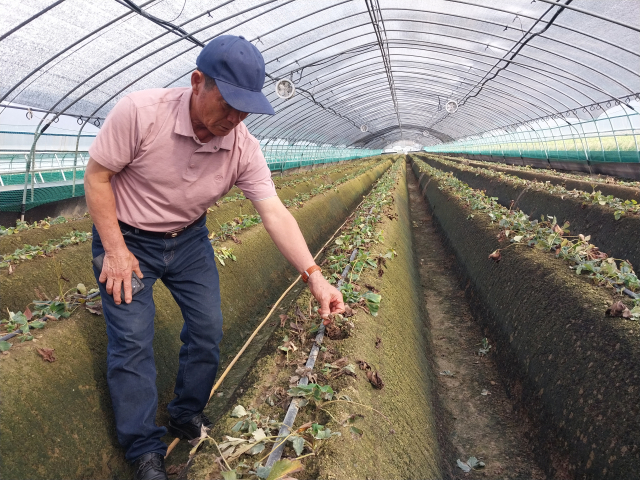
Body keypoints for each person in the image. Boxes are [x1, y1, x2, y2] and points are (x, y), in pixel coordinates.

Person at [84, 35, 345, 480]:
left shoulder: (243, 147)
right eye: (227, 104)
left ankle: (186, 413)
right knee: (132, 343)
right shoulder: (141, 114)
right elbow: (98, 176)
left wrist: (314, 276)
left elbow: (275, 214)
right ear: (197, 82)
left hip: (188, 240)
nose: (235, 118)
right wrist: (115, 249)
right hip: (129, 238)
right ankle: (145, 451)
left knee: (208, 328)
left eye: (245, 109)